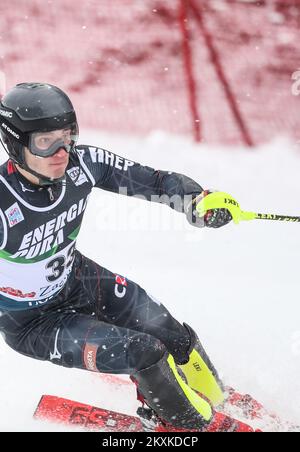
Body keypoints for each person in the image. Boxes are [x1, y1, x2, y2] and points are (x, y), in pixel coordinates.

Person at [0, 83, 232, 431]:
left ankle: (217, 399)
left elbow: (153, 181)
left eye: (68, 135)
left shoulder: (84, 163)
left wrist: (195, 200)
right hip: (35, 323)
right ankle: (190, 426)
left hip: (79, 281)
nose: (62, 151)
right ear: (16, 143)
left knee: (170, 332)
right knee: (144, 352)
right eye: (46, 142)